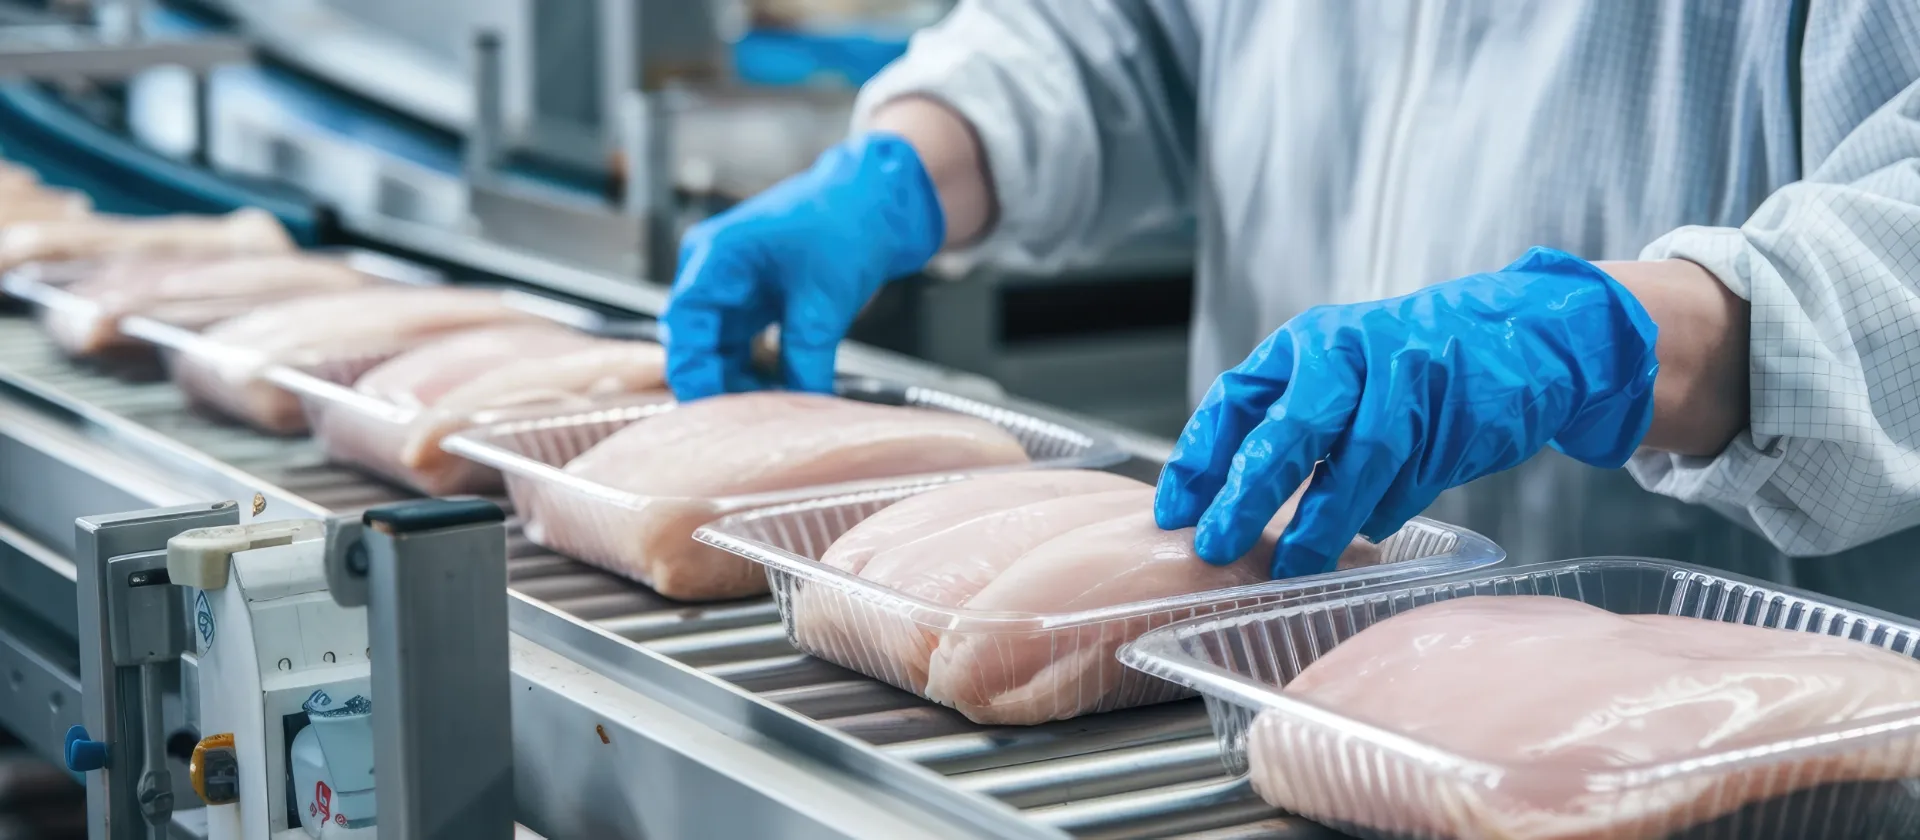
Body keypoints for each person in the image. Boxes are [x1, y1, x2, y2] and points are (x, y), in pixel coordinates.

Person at [662, 2, 1920, 611]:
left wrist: (1613, 342)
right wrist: (905, 171)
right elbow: (1121, 32)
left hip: (1708, 722)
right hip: (1271, 666)